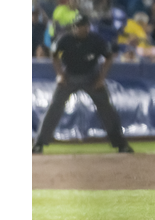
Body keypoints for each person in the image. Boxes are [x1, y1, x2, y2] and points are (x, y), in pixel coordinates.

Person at [32, 14, 134, 154]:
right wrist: (60, 75)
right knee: (54, 107)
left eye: (82, 26)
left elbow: (109, 57)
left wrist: (101, 78)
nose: (79, 29)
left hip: (91, 76)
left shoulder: (96, 40)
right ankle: (39, 144)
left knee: (107, 109)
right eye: (77, 26)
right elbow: (54, 55)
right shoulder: (65, 38)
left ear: (88, 27)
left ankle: (121, 144)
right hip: (69, 76)